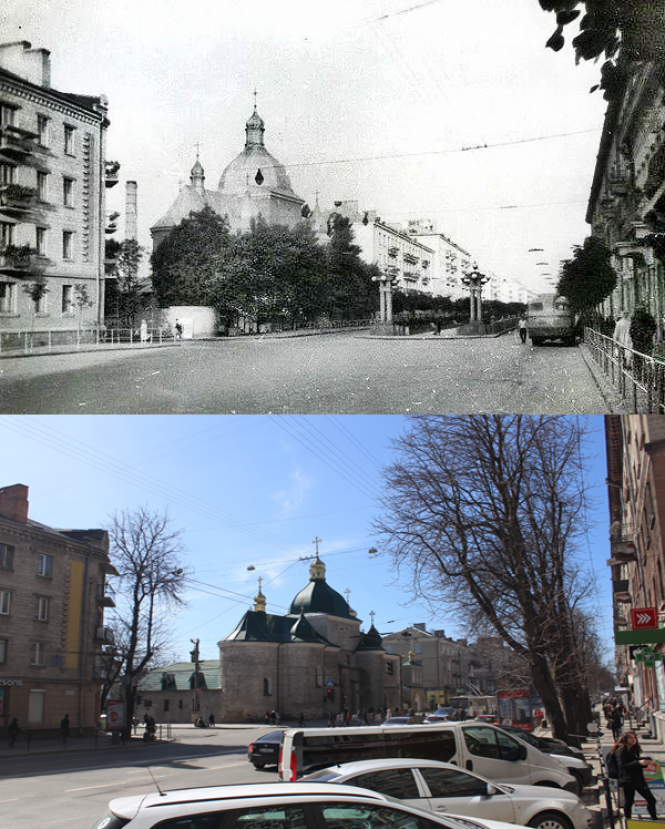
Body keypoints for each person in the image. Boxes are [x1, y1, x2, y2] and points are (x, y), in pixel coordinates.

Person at [614, 731, 658, 820]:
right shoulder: (621, 750)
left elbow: (635, 761)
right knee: (629, 801)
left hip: (638, 779)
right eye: (631, 738)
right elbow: (622, 766)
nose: (633, 740)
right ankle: (628, 820)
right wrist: (638, 763)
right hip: (628, 780)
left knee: (651, 800)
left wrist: (644, 762)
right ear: (625, 739)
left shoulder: (634, 749)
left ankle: (654, 818)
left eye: (634, 738)